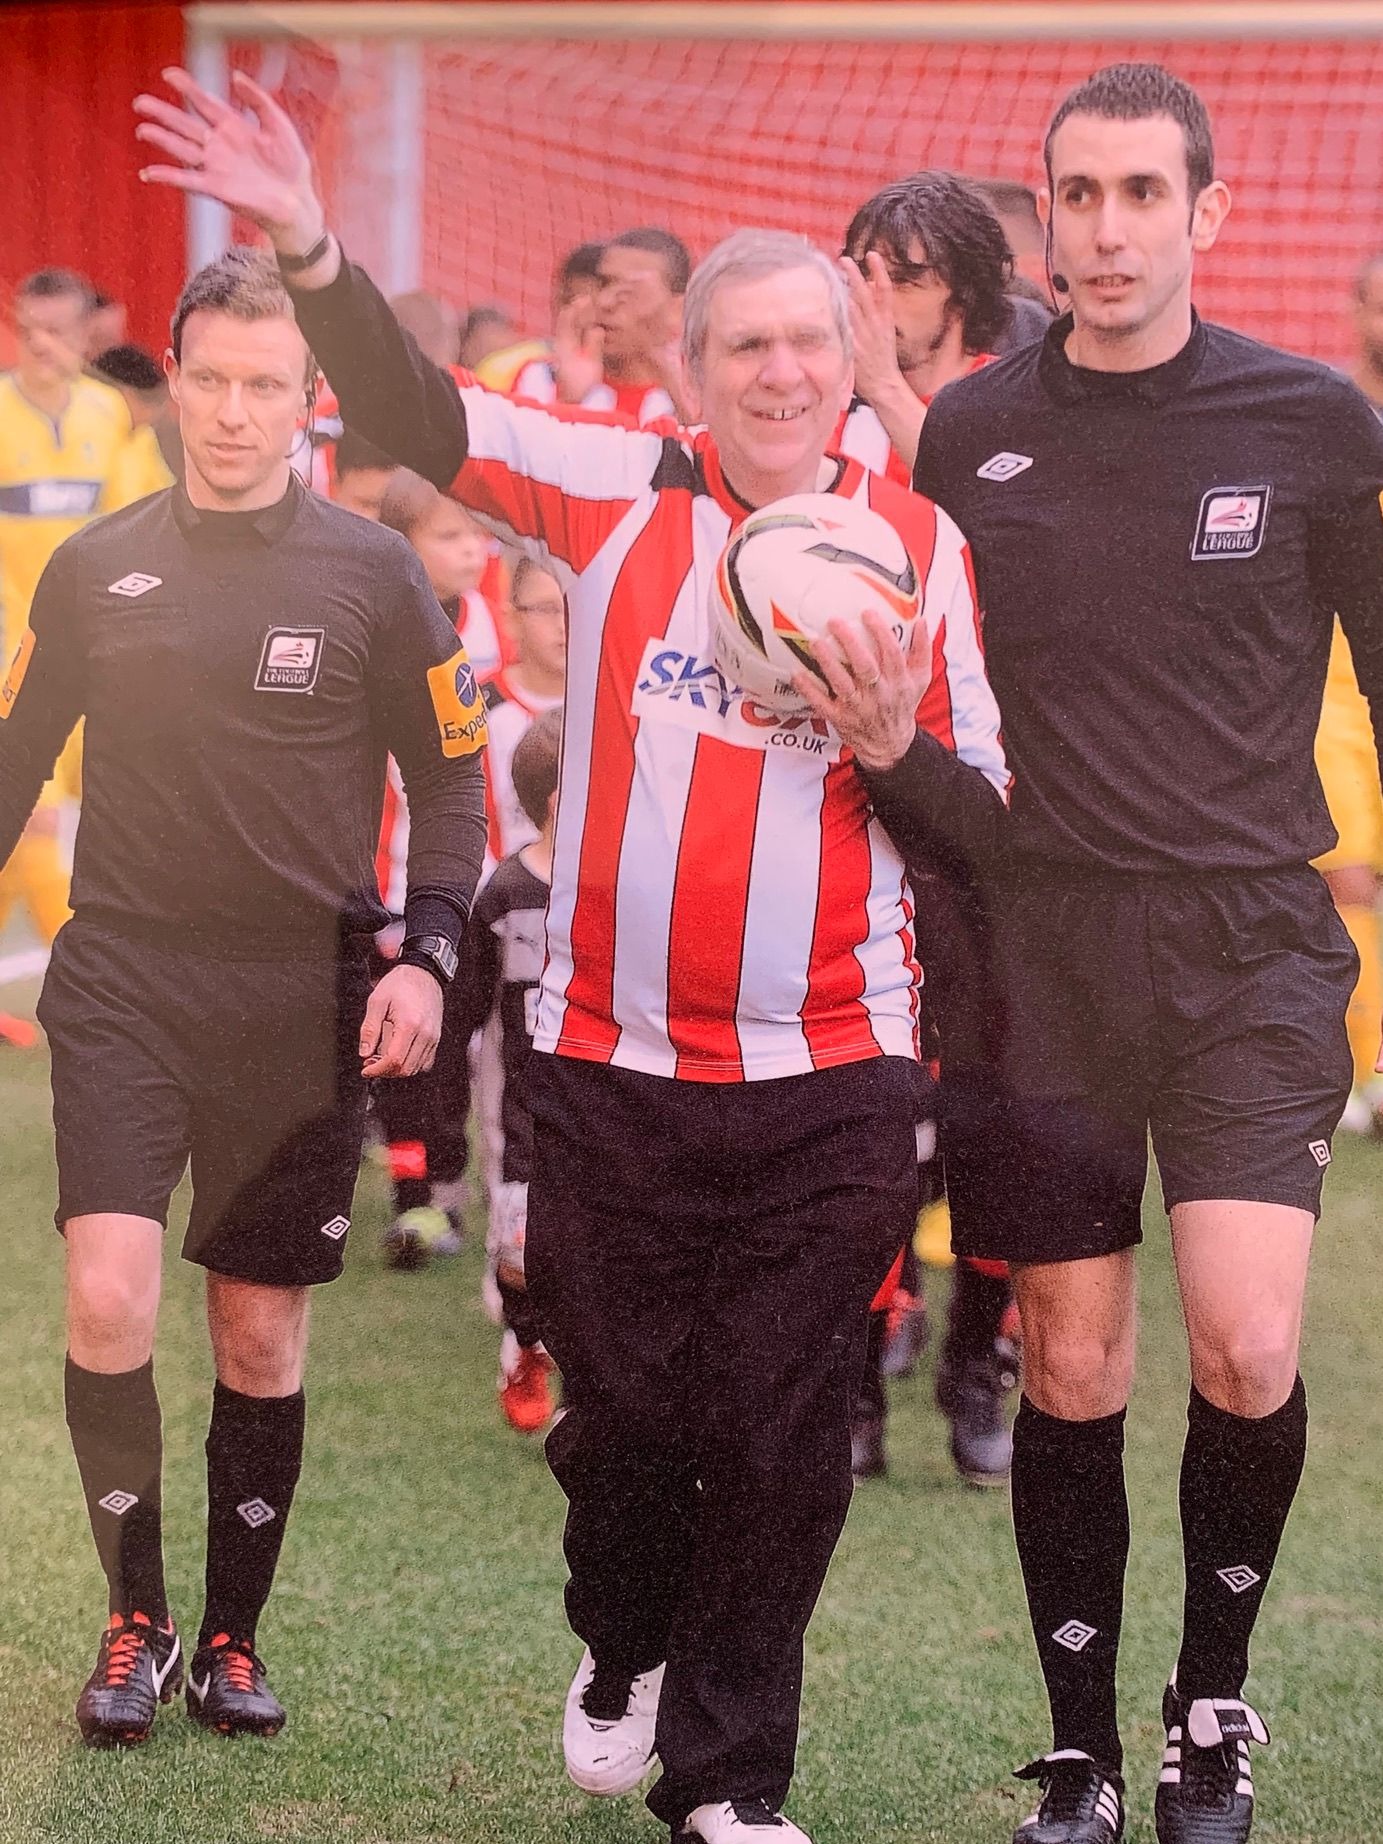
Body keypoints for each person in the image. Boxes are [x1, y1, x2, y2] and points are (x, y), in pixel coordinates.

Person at [135, 65, 1009, 1843]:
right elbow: (408, 408)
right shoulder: (614, 489)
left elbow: (990, 832)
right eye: (741, 346)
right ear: (690, 371)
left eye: (804, 344)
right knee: (624, 1428)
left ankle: (729, 1772)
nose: (776, 372)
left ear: (848, 363)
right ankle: (619, 1638)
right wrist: (304, 240)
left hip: (832, 1068)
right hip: (604, 1063)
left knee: (774, 1430)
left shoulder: (916, 548)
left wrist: (885, 735)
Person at [910, 63, 1383, 1844]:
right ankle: (1078, 1748)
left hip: (1253, 940)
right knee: (1072, 1360)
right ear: (1044, 220)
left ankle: (1207, 1708)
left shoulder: (1314, 421)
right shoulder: (970, 430)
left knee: (1247, 1347)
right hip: (1046, 954)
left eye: (1136, 193)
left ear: (1205, 212)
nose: (1102, 228)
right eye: (1074, 195)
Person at [0, 245, 488, 1748]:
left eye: (260, 386)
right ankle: (132, 1618)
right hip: (129, 976)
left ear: (306, 400)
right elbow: (17, 766)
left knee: (259, 1339)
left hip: (302, 999)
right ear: (174, 384)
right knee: (106, 1301)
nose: (228, 411)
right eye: (205, 379)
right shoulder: (98, 568)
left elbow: (453, 783)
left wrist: (424, 952)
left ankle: (230, 1637)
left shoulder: (372, 568)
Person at [834, 172, 1022, 1486]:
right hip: (860, 802)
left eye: (892, 273)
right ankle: (851, 1373)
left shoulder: (1017, 410)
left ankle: (976, 1360)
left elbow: (986, 521)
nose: (866, 297)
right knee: (861, 1108)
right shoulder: (824, 428)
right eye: (854, 267)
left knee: (1002, 1116)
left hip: (1008, 813)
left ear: (954, 289)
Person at [0, 268, 172, 1046]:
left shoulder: (109, 413)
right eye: (28, 329)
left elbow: (140, 523)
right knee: (34, 819)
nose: (42, 346)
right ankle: (103, 1000)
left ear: (84, 335)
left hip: (95, 649)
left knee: (61, 821)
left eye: (58, 331)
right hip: (10, 649)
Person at [451, 707, 564, 1431]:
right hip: (521, 1109)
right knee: (520, 1257)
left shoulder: (621, 884)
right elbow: (465, 1003)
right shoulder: (507, 893)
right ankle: (525, 1340)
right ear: (559, 800)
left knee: (598, 1262)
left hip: (605, 1106)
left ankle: (584, 1382)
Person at [836, 171, 1015, 481]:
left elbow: (982, 499)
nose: (874, 295)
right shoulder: (821, 399)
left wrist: (883, 386)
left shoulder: (1014, 402)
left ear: (965, 292)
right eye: (863, 275)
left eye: (903, 280)